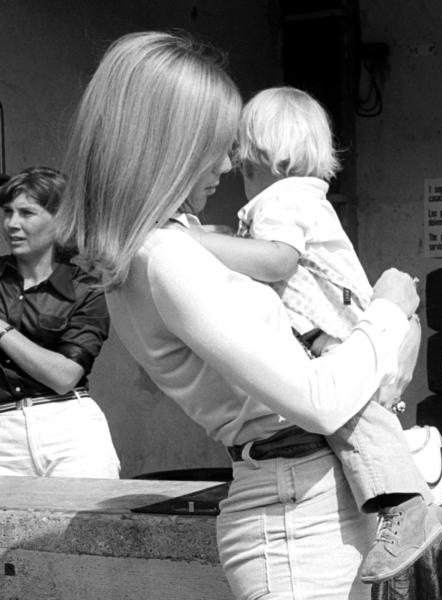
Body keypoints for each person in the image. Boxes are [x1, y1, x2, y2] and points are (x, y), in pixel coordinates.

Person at [56, 31, 419, 599]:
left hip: (307, 495)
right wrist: (388, 313)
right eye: (217, 145)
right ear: (167, 146)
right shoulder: (165, 257)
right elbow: (317, 401)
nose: (228, 165)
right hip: (297, 511)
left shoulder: (163, 247)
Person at [187, 85, 442, 583]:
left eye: (246, 164)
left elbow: (276, 261)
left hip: (343, 336)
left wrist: (194, 243)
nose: (239, 175)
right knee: (353, 422)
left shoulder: (281, 198)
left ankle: (406, 507)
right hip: (340, 333)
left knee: (351, 422)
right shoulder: (298, 198)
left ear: (279, 159)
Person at [0, 166, 116, 478]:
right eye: (7, 211)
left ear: (60, 219)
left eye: (27, 213)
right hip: (2, 434)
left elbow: (64, 376)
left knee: (87, 526)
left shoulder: (87, 287)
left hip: (70, 430)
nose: (12, 223)